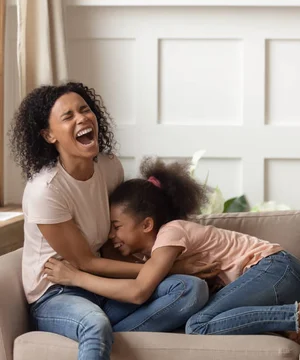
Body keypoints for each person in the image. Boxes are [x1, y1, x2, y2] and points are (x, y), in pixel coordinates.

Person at [9, 82, 212, 360]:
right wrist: (166, 267)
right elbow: (83, 262)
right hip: (57, 293)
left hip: (100, 283)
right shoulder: (46, 190)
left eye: (85, 109)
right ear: (48, 135)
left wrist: (155, 271)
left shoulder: (108, 167)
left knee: (190, 289)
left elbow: (111, 241)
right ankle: (97, 333)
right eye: (68, 116)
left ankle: (103, 339)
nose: (82, 118)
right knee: (94, 323)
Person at [44, 157, 300, 344]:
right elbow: (114, 263)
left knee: (198, 325)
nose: (111, 234)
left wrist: (76, 277)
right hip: (276, 276)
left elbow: (138, 291)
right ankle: (285, 326)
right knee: (207, 319)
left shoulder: (172, 233)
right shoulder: (153, 253)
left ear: (147, 224)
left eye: (116, 226)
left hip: (276, 269)